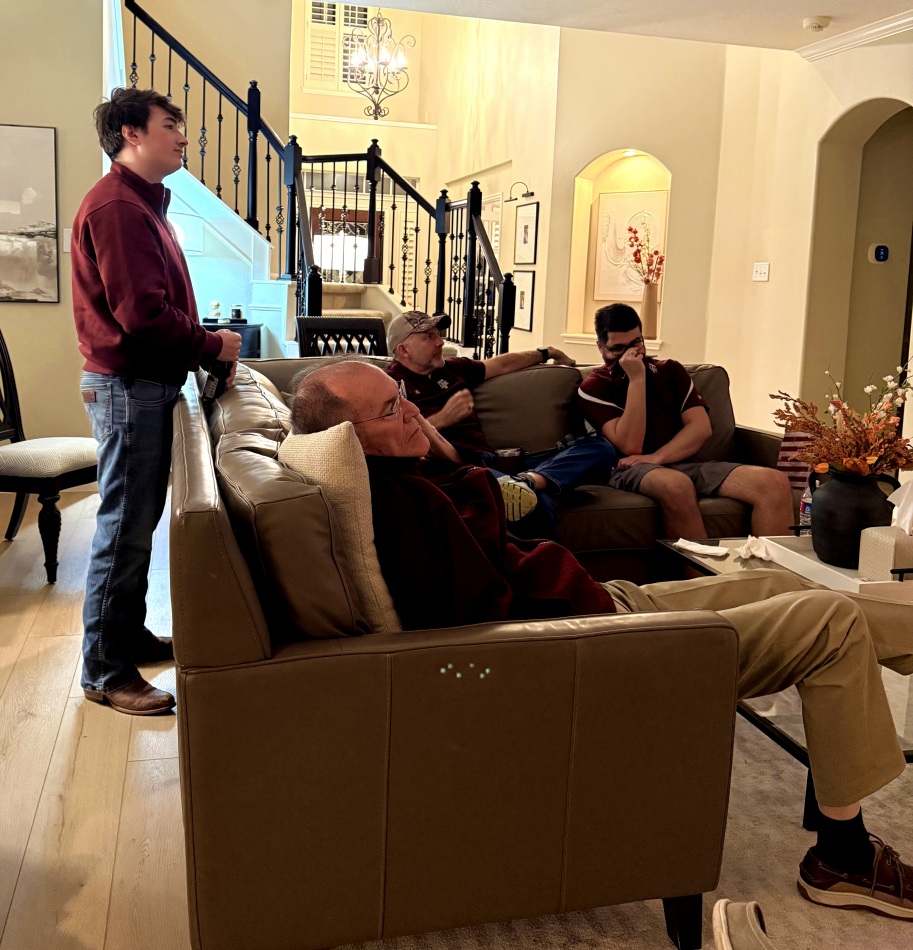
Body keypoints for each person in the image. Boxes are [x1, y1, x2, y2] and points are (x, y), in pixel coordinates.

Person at [290, 359, 913, 920]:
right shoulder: (401, 506)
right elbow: (475, 640)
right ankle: (844, 857)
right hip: (602, 641)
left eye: (402, 396)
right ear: (347, 437)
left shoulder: (399, 474)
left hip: (601, 602)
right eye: (391, 408)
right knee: (828, 618)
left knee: (780, 580)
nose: (412, 412)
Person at [72, 88, 242, 715]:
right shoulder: (119, 206)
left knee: (134, 528)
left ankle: (127, 639)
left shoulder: (140, 203)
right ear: (131, 133)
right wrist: (213, 343)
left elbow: (151, 308)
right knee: (124, 530)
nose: (183, 136)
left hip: (136, 385)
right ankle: (105, 672)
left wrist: (203, 341)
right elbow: (142, 316)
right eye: (170, 124)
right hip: (129, 387)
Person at [385, 310, 616, 535]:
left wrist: (546, 352)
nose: (440, 342)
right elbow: (392, 441)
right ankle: (533, 498)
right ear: (404, 349)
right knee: (534, 503)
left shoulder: (452, 368)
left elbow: (502, 364)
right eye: (429, 337)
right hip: (460, 469)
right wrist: (444, 418)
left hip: (493, 460)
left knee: (601, 448)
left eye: (438, 334)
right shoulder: (389, 385)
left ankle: (528, 480)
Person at [577, 304, 793, 540]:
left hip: (682, 463)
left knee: (773, 482)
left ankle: (771, 566)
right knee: (676, 484)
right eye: (618, 348)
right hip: (628, 468)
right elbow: (631, 446)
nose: (631, 354)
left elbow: (700, 428)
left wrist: (657, 457)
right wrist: (637, 379)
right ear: (601, 347)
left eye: (636, 343)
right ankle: (703, 566)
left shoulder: (670, 370)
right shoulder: (593, 387)